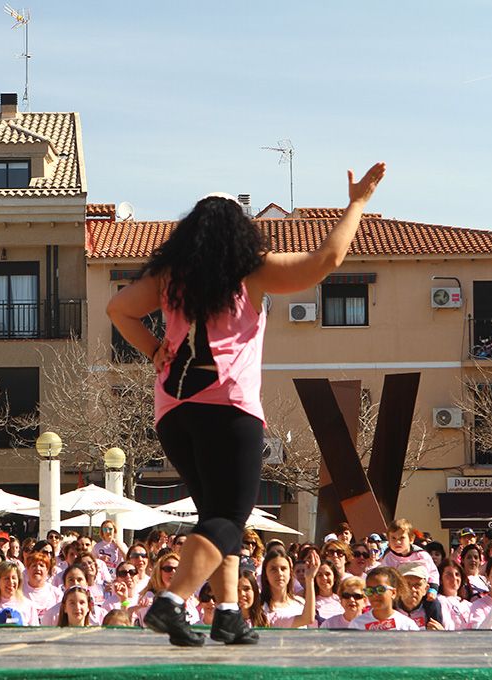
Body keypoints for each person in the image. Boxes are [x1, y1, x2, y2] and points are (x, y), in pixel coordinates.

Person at [106, 162, 385, 647]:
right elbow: (326, 261)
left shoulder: (169, 277)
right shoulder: (250, 273)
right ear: (240, 232)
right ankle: (172, 602)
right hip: (228, 408)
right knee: (229, 517)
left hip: (174, 412)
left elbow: (118, 309)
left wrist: (154, 350)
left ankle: (229, 613)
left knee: (217, 514)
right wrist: (357, 203)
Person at [261, 549, 318, 629]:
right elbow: (307, 619)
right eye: (273, 569)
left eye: (283, 568)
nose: (279, 573)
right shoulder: (261, 608)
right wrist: (310, 580)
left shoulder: (301, 603)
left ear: (290, 572)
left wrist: (310, 578)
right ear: (266, 574)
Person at [351, 566, 419, 630]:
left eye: (380, 589)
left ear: (393, 593)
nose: (374, 595)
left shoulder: (407, 625)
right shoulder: (357, 624)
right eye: (370, 591)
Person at [380, 518, 438, 583]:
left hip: (419, 589)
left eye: (402, 538)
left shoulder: (421, 555)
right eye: (393, 538)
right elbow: (383, 576)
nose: (397, 542)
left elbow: (433, 572)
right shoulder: (388, 558)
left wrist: (432, 590)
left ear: (411, 539)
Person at [0, 560, 39, 625]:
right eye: (6, 578)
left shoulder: (28, 605)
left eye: (14, 578)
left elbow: (34, 632)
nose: (11, 582)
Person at [397, 563, 444, 629]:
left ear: (426, 589)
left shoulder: (434, 608)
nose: (413, 589)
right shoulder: (389, 608)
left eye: (417, 585)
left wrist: (441, 634)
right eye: (407, 584)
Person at [21, 551, 60, 621]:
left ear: (47, 570)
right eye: (33, 565)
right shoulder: (19, 591)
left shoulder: (56, 593)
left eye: (41, 565)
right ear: (27, 569)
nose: (37, 568)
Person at [436, 559, 471, 630]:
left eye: (457, 574)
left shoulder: (468, 604)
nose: (454, 578)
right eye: (449, 575)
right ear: (440, 580)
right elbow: (447, 627)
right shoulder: (440, 601)